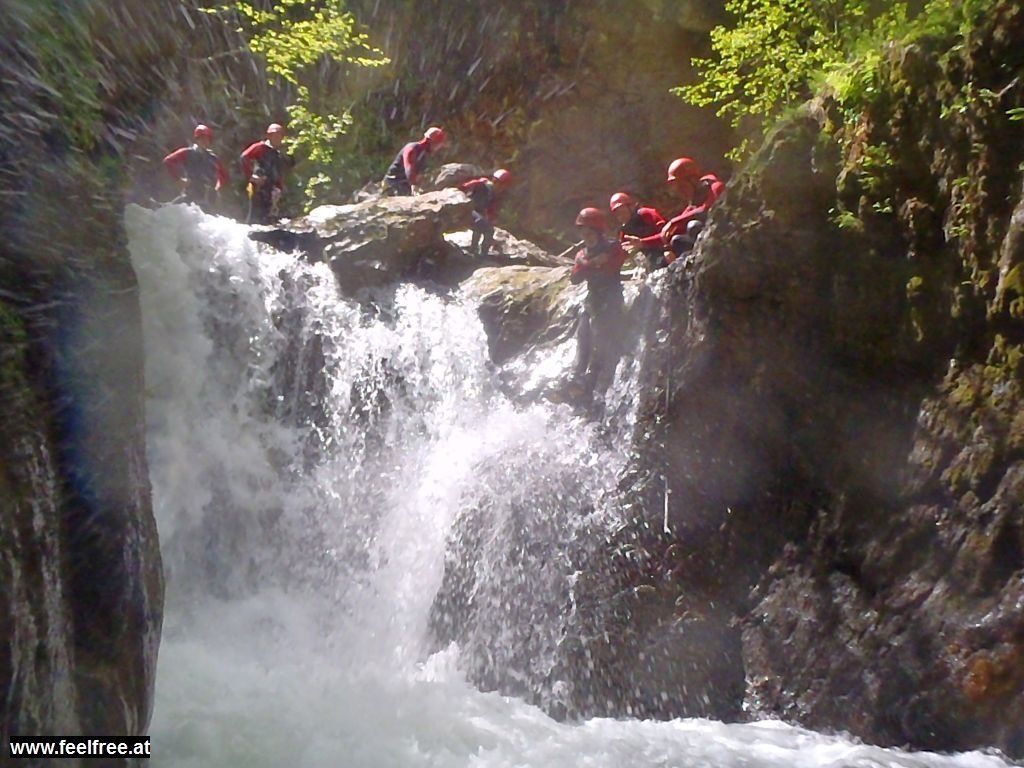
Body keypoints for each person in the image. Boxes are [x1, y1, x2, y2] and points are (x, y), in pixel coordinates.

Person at [568, 207, 628, 401]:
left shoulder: (613, 247)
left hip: (610, 301)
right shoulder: (583, 253)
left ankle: (595, 388)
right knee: (583, 339)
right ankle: (576, 381)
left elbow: (612, 267)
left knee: (601, 344)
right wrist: (591, 263)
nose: (586, 238)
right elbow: (574, 278)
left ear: (599, 232)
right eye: (583, 234)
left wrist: (588, 263)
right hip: (592, 301)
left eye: (589, 233)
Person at [623, 156, 725, 260]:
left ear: (693, 180)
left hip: (722, 237)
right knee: (677, 240)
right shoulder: (693, 205)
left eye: (682, 187)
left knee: (693, 226)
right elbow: (669, 233)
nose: (680, 192)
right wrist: (642, 242)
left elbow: (708, 209)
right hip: (707, 243)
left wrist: (673, 222)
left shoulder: (716, 187)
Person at [162, 124, 229, 211]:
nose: (205, 141)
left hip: (208, 196)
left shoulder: (213, 158)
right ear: (197, 139)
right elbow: (168, 161)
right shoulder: (187, 152)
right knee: (173, 210)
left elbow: (224, 176)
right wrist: (178, 179)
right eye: (202, 138)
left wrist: (217, 187)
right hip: (192, 192)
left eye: (207, 139)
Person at [240, 123, 288, 224]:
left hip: (270, 189)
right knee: (254, 213)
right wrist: (251, 177)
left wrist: (279, 188)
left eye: (280, 136)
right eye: (275, 136)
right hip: (257, 187)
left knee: (267, 214)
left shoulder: (277, 154)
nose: (278, 139)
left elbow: (277, 173)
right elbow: (244, 157)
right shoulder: (260, 147)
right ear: (269, 136)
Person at [458, 168, 512, 257]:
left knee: (487, 227)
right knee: (481, 222)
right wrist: (460, 191)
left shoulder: (493, 194)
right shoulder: (483, 184)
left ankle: (481, 253)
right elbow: (467, 185)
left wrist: (491, 220)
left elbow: (491, 210)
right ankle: (475, 250)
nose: (501, 188)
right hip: (469, 210)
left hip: (477, 213)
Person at [609, 191, 667, 272]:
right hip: (649, 262)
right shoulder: (625, 231)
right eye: (618, 214)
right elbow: (623, 254)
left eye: (623, 212)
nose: (621, 216)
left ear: (631, 207)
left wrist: (643, 242)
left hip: (665, 252)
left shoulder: (646, 214)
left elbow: (667, 235)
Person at [382, 126, 446, 196]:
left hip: (404, 184)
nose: (438, 149)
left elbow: (418, 175)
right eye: (438, 145)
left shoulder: (424, 154)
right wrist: (416, 183)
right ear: (431, 142)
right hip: (393, 182)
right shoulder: (411, 149)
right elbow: (409, 172)